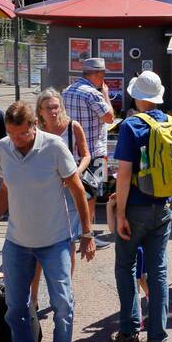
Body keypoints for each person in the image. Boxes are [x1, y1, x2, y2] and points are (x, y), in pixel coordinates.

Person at [0, 100, 94, 342]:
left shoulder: (53, 147)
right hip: (17, 242)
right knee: (16, 309)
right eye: (12, 135)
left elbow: (77, 189)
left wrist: (87, 233)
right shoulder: (3, 148)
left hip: (55, 241)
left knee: (63, 306)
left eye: (22, 135)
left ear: (34, 126)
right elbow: (5, 191)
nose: (17, 141)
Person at [108, 71, 172, 342]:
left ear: (138, 96)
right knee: (158, 271)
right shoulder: (171, 122)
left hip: (136, 208)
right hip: (163, 207)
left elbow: (124, 175)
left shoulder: (132, 125)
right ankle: (157, 339)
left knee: (125, 267)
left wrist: (121, 213)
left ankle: (128, 334)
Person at [33, 88, 91, 303]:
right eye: (48, 108)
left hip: (69, 190)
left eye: (56, 107)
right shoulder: (36, 130)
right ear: (40, 110)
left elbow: (86, 154)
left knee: (68, 242)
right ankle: (34, 295)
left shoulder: (72, 127)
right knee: (39, 242)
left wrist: (77, 171)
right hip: (45, 192)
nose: (54, 111)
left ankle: (66, 289)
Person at [62, 57, 115, 225]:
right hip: (93, 153)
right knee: (92, 194)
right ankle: (88, 232)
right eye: (103, 74)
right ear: (98, 74)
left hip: (71, 152)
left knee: (75, 193)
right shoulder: (94, 94)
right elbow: (110, 118)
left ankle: (75, 229)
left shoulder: (67, 90)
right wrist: (105, 95)